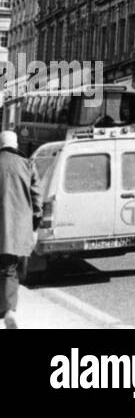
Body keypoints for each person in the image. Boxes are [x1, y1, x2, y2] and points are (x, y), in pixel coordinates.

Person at [0, 129, 43, 329]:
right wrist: (35, 226)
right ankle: (9, 310)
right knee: (9, 270)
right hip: (15, 230)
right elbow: (37, 199)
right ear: (16, 145)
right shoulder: (27, 165)